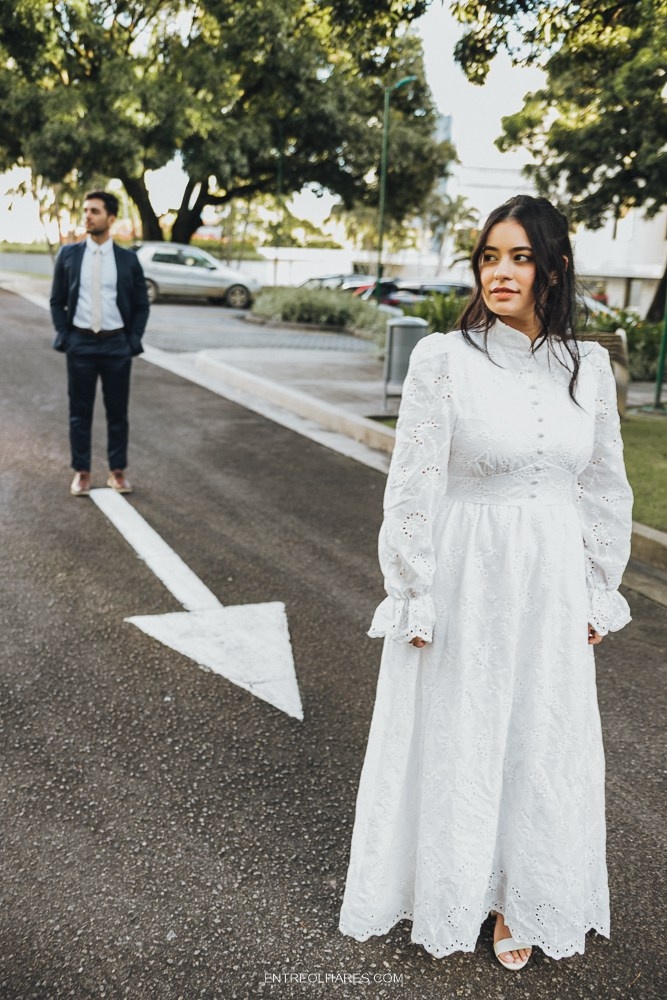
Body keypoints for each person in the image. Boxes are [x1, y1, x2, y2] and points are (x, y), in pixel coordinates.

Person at [339, 195, 633, 970]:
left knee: (539, 736)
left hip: (553, 577)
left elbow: (603, 483)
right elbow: (411, 484)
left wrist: (601, 586)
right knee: (463, 732)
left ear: (552, 268)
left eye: (519, 257)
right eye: (489, 257)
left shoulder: (589, 366)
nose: (500, 272)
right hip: (466, 567)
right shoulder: (445, 358)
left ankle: (519, 894)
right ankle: (454, 887)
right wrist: (413, 588)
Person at [50, 190, 149, 496]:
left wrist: (132, 341)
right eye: (86, 210)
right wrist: (66, 337)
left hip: (116, 345)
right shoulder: (69, 255)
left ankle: (117, 472)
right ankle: (82, 472)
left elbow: (141, 305)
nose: (87, 216)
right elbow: (57, 301)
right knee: (80, 412)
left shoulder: (127, 260)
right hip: (80, 344)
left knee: (117, 412)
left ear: (111, 218)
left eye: (94, 211)